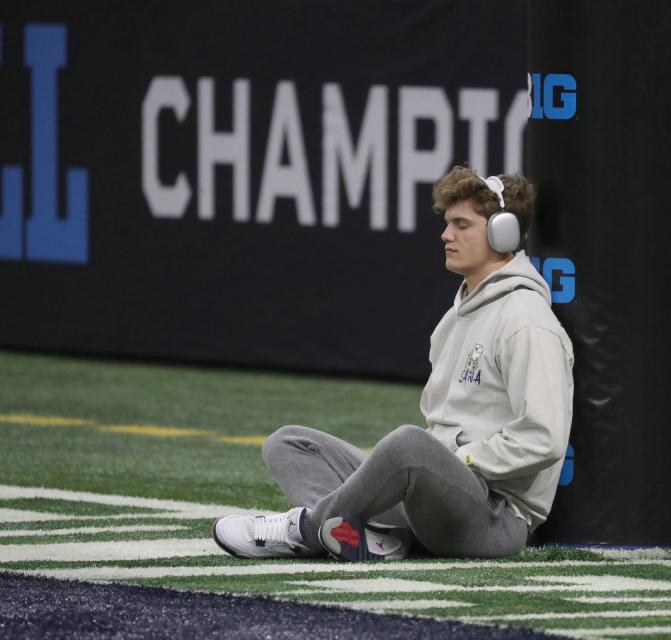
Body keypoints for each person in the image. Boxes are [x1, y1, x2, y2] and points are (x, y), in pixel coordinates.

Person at [212, 166, 574, 561]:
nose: (446, 234)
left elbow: (544, 438)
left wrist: (455, 461)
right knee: (290, 444)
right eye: (447, 223)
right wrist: (436, 467)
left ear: (501, 234)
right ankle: (370, 538)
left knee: (408, 445)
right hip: (437, 499)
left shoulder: (527, 321)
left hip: (494, 518)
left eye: (461, 224)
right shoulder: (459, 314)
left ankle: (309, 529)